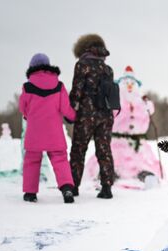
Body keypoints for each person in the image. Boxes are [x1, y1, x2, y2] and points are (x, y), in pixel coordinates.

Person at [19, 53, 76, 203]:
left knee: (31, 160)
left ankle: (30, 193)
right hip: (54, 132)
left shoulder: (27, 87)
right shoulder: (59, 86)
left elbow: (22, 107)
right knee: (60, 159)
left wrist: (28, 116)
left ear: (32, 67)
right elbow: (65, 108)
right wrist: (73, 117)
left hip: (34, 132)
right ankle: (67, 189)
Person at [69, 34, 115, 199]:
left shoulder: (82, 65)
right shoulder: (107, 69)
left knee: (78, 150)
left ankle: (73, 186)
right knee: (104, 150)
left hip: (86, 116)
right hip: (105, 115)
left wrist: (69, 110)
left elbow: (77, 91)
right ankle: (107, 187)